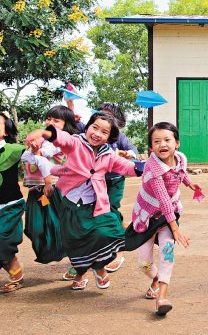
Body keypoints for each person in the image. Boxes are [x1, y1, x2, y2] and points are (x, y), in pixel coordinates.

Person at [24, 112, 143, 290]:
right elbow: (63, 139)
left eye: (104, 132)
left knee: (107, 232)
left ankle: (100, 268)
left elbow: (124, 166)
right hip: (70, 203)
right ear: (87, 128)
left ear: (109, 137)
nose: (97, 133)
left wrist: (144, 167)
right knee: (75, 241)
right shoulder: (76, 143)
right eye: (94, 128)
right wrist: (43, 132)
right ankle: (84, 273)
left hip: (95, 204)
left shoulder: (108, 154)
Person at [127, 122, 200, 316]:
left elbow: (179, 173)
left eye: (167, 140)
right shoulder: (152, 169)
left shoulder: (179, 159)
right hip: (148, 216)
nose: (162, 145)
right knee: (143, 262)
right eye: (156, 141)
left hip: (168, 217)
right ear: (151, 147)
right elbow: (163, 201)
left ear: (177, 143)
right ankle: (156, 278)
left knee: (167, 253)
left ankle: (162, 298)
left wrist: (190, 184)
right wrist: (176, 229)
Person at [63, 102, 139, 277]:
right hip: (93, 184)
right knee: (89, 218)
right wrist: (71, 109)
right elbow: (71, 127)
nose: (100, 129)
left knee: (109, 213)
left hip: (114, 181)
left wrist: (129, 155)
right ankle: (84, 258)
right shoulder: (87, 132)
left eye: (108, 121)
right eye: (98, 117)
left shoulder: (119, 137)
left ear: (116, 125)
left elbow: (132, 149)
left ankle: (114, 253)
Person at [22, 106, 77, 265]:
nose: (50, 122)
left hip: (52, 188)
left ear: (65, 124)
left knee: (61, 226)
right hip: (36, 190)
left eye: (56, 120)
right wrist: (33, 152)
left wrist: (36, 153)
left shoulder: (60, 139)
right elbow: (27, 157)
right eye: (49, 118)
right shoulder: (42, 140)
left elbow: (44, 155)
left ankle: (77, 261)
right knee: (34, 228)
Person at [0, 111, 26, 293]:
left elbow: (35, 157)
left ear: (6, 131)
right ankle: (14, 271)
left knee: (2, 239)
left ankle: (14, 268)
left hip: (10, 206)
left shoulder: (14, 150)